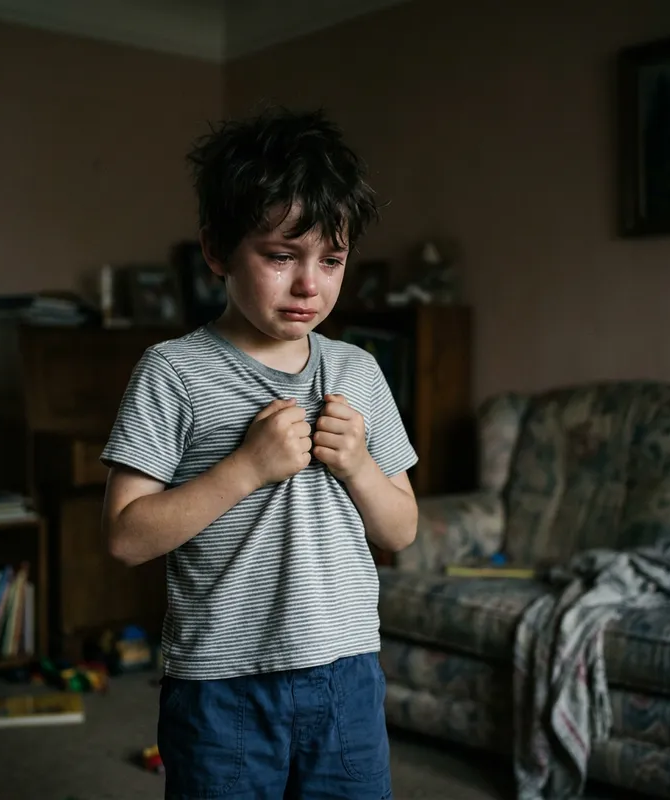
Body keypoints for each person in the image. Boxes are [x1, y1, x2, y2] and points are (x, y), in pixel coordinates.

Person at [100, 107, 419, 799]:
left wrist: (360, 465)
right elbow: (126, 537)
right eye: (281, 256)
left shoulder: (359, 371)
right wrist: (246, 468)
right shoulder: (173, 371)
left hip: (348, 676)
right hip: (223, 684)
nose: (310, 284)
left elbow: (401, 528)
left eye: (331, 260)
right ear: (216, 250)